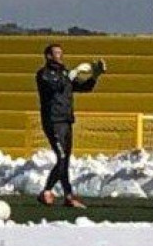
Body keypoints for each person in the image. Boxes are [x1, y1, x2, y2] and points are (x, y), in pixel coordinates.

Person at [35, 43, 104, 208]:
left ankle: (68, 195)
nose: (60, 56)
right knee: (62, 157)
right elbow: (55, 86)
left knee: (65, 160)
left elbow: (83, 87)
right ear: (48, 56)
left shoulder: (64, 73)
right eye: (56, 53)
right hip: (53, 121)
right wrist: (69, 76)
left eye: (61, 53)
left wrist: (95, 75)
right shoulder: (44, 74)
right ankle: (47, 191)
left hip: (66, 121)